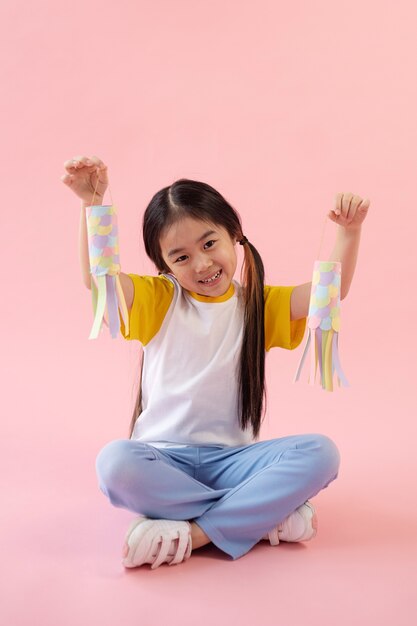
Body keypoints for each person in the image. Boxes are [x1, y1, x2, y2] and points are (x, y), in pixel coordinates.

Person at [62, 154, 370, 570]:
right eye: (181, 257)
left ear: (235, 236)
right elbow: (99, 281)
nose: (203, 264)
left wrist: (348, 233)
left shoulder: (257, 306)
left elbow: (327, 295)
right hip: (161, 458)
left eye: (209, 244)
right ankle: (259, 517)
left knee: (321, 453)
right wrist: (92, 205)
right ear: (164, 266)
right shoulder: (160, 299)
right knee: (115, 464)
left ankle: (196, 532)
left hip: (235, 463)